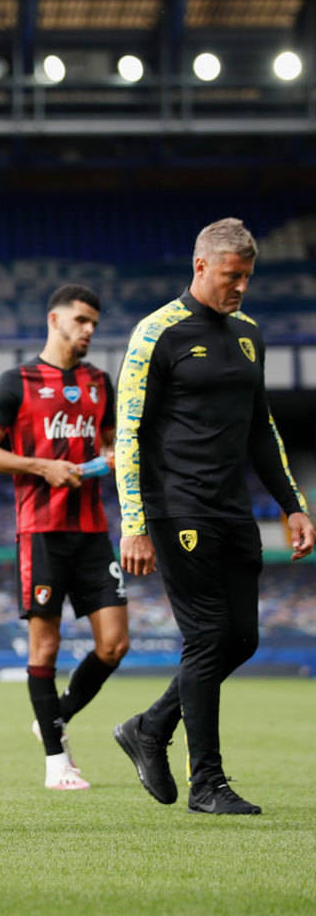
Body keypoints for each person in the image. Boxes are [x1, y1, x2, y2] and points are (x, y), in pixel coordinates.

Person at [112, 218, 313, 815]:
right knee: (206, 639)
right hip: (180, 508)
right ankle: (207, 784)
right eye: (232, 275)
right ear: (201, 267)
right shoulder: (156, 333)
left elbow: (263, 429)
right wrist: (135, 522)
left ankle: (149, 726)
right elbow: (128, 433)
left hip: (234, 509)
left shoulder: (250, 335)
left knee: (242, 640)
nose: (241, 287)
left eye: (248, 277)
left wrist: (293, 505)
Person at [0, 284, 128, 791]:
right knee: (46, 647)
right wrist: (41, 466)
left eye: (93, 325)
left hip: (92, 531)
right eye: (81, 320)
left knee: (114, 644)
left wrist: (109, 459)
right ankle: (56, 763)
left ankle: (52, 717)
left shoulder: (100, 383)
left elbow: (110, 445)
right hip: (40, 531)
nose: (87, 331)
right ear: (54, 319)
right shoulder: (16, 381)